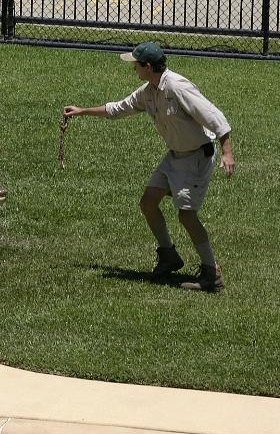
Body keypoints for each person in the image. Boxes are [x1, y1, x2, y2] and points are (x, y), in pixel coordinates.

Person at [63, 42, 235, 292]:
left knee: (186, 215)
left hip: (196, 157)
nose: (133, 68)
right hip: (175, 156)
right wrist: (81, 111)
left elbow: (214, 116)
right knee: (148, 202)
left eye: (136, 64)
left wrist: (227, 152)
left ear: (148, 66)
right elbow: (118, 109)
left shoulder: (177, 86)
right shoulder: (149, 91)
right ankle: (169, 256)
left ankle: (212, 273)